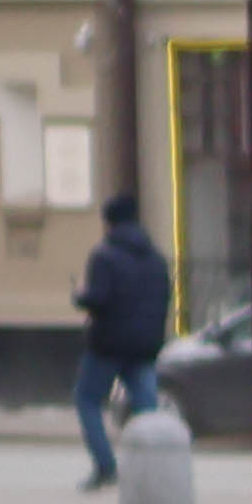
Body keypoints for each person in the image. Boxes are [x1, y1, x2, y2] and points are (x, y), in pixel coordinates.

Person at [71, 194, 170, 487]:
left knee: (87, 399)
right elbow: (164, 297)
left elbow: (98, 298)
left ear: (109, 223)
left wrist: (79, 296)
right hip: (145, 345)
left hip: (109, 344)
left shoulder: (104, 256)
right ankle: (155, 468)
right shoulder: (156, 257)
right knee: (147, 409)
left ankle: (106, 467)